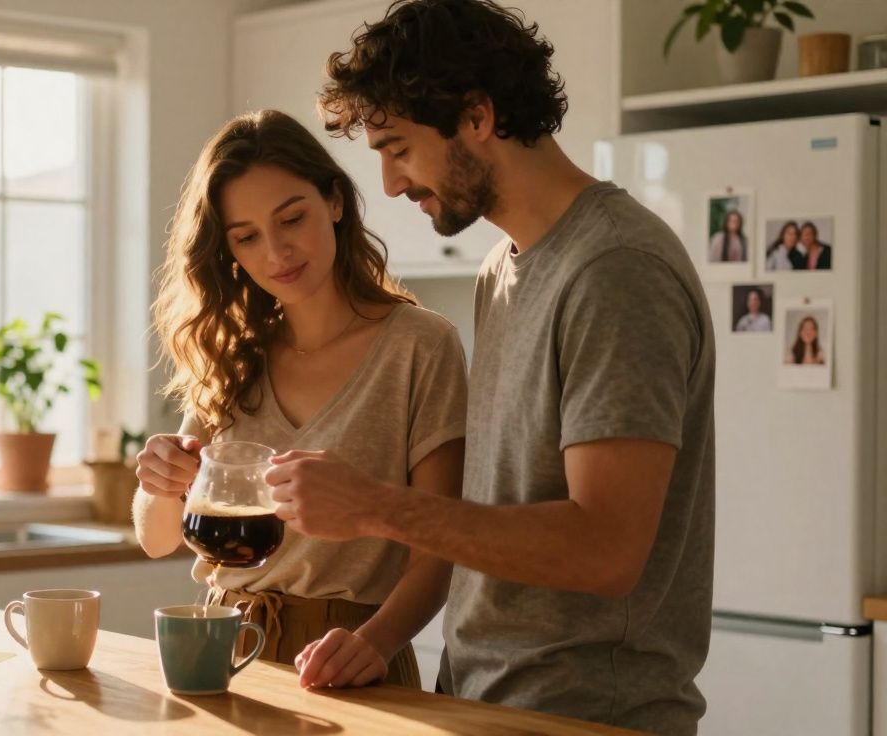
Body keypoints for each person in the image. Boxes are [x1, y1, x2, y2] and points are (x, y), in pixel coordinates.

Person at [265, 1, 716, 733]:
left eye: (398, 147)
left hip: (586, 713)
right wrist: (380, 638)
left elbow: (607, 549)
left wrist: (375, 506)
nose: (388, 184)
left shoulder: (614, 270)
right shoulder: (502, 270)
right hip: (481, 696)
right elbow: (496, 514)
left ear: (476, 116)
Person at [131, 109, 470, 690]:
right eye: (247, 237)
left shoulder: (419, 345)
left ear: (334, 202)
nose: (276, 252)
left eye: (292, 218)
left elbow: (439, 546)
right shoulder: (233, 355)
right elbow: (156, 537)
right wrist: (158, 480)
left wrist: (375, 643)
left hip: (354, 660)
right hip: (221, 650)